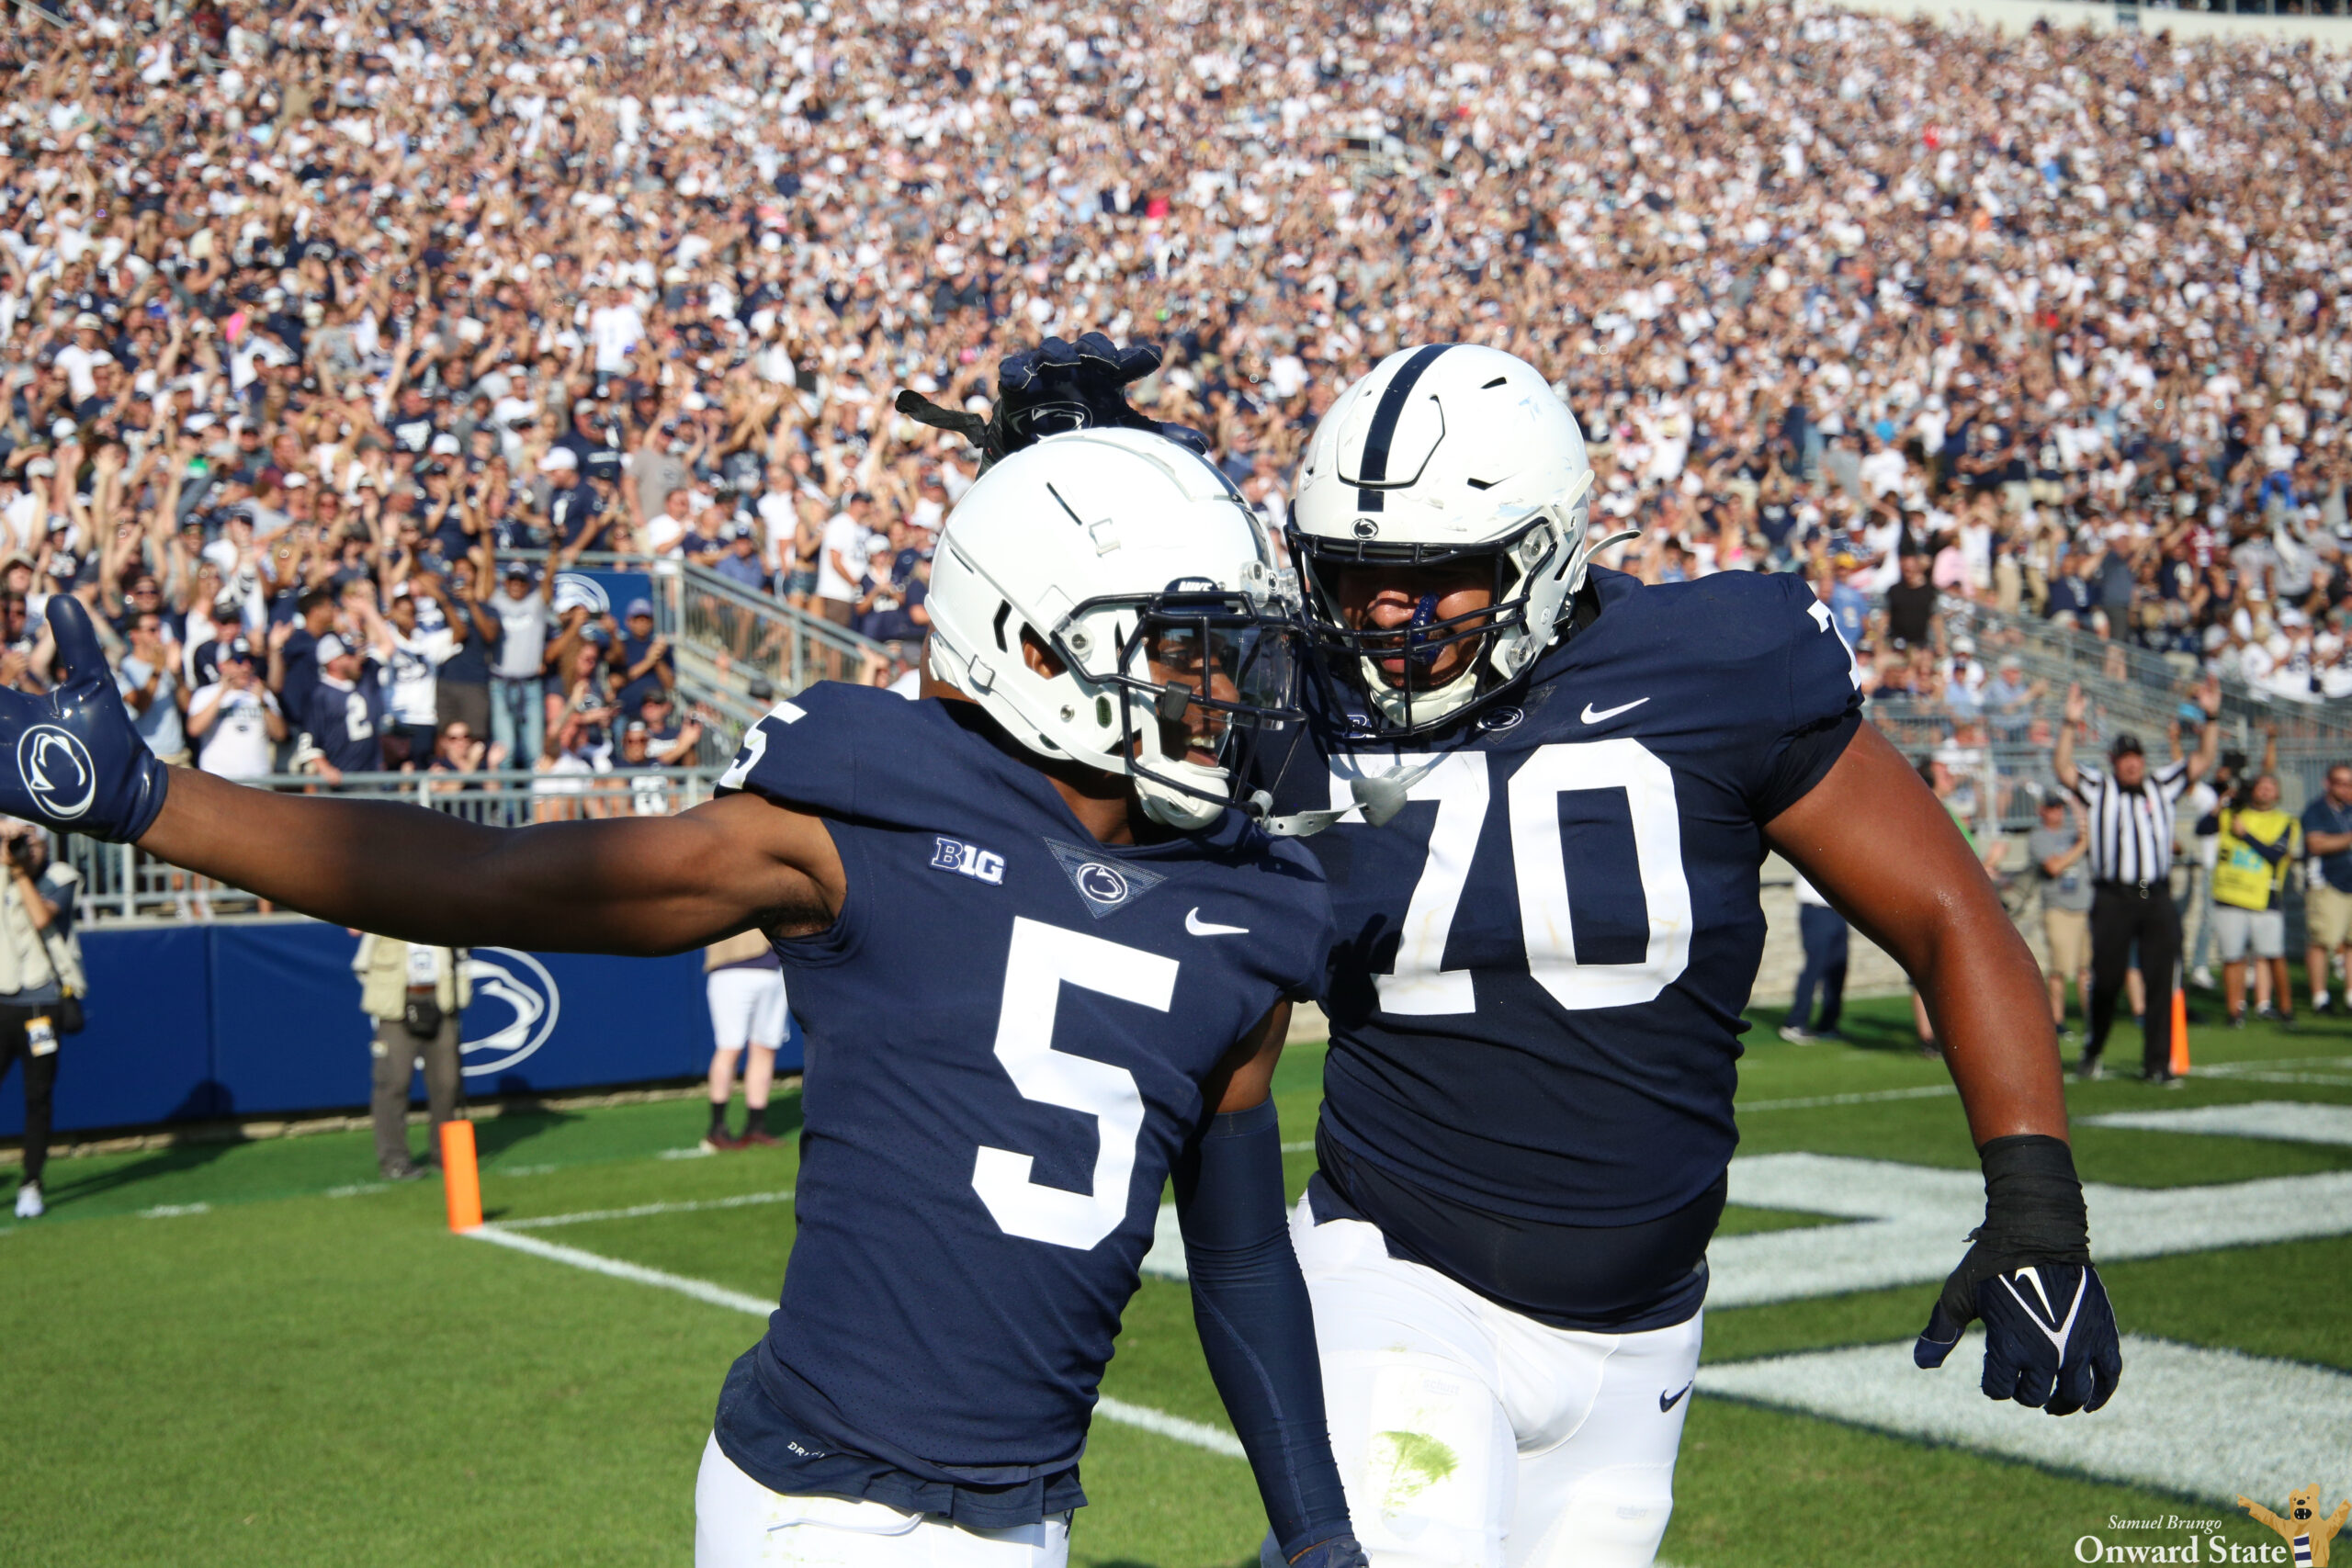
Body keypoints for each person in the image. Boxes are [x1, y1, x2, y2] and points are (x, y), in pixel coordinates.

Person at [0, 423, 1367, 1568]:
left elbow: (1242, 1250)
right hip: (825, 1505)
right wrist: (146, 796)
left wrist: (1317, 1530)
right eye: (1183, 648)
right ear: (1032, 645)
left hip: (1029, 1512)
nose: (1221, 690)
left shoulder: (1243, 905)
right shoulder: (863, 807)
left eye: (1225, 649)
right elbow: (489, 877)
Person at [1238, 341, 2118, 1568]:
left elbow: (1949, 915)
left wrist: (2036, 1206)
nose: (1388, 614)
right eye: (1360, 576)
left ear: (1542, 553)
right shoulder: (1287, 706)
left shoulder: (1715, 667)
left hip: (1643, 1333)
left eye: (1435, 577)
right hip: (1395, 1270)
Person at [2053, 679, 2222, 1083]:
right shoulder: (2100, 787)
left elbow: (2201, 760)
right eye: (2124, 757)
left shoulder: (2161, 785)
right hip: (2113, 896)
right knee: (2108, 980)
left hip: (2155, 894)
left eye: (2136, 757)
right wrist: (2068, 724)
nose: (2132, 763)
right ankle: (2094, 1049)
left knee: (2161, 979)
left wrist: (2212, 717)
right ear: (2113, 761)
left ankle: (2157, 1065)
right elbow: (2062, 768)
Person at [0, 825, 81, 1220]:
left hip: (41, 1006)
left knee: (37, 1097)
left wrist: (17, 872)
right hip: (1, 1002)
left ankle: (31, 1182)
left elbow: (39, 916)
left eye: (28, 842)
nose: (21, 849)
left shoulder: (60, 877)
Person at [352, 931, 471, 1180]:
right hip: (396, 1003)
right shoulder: (384, 913)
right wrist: (383, 995)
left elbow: (462, 954)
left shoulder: (442, 914)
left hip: (441, 999)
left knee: (447, 1084)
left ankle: (445, 1153)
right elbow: (362, 962)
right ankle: (394, 1160)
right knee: (393, 1083)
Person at [2208, 774, 2301, 1030]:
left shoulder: (2285, 821)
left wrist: (2246, 836)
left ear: (2278, 794)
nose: (2265, 791)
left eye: (2271, 786)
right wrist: (2220, 803)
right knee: (2232, 957)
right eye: (2261, 786)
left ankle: (2285, 1008)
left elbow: (2275, 854)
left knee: (2273, 956)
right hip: (2229, 895)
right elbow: (2202, 828)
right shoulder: (2232, 815)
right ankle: (2234, 1012)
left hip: (2264, 899)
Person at [700, 929, 787, 1153]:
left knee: (765, 1047)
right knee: (730, 1047)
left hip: (774, 969)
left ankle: (756, 1127)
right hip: (731, 969)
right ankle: (717, 1128)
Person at [2029, 794, 2094, 1039]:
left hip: (2085, 907)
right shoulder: (2039, 837)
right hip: (2059, 910)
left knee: (2086, 968)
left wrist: (2078, 807)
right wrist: (2080, 846)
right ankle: (2057, 1019)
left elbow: (2089, 827)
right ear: (2041, 810)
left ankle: (2091, 1018)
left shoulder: (2073, 834)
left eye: (2060, 808)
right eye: (2052, 807)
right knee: (2059, 968)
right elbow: (2054, 867)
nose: (2057, 812)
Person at [187, 637, 287, 780]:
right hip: (218, 782)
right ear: (222, 665)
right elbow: (194, 729)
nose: (245, 668)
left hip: (257, 782)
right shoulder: (206, 694)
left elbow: (280, 734)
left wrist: (263, 703)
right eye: (238, 661)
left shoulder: (262, 694)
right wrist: (221, 693)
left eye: (249, 661)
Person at [2299, 762, 2352, 1017]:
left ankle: (2351, 995)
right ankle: (2320, 997)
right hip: (2327, 884)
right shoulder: (2316, 810)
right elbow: (2316, 843)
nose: (2346, 788)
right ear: (2327, 784)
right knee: (2322, 941)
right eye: (2340, 783)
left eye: (2349, 783)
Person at [1779, 871, 1846, 1044]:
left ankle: (1828, 1024)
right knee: (1815, 966)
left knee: (1838, 967)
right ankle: (1795, 1023)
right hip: (1816, 909)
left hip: (1838, 910)